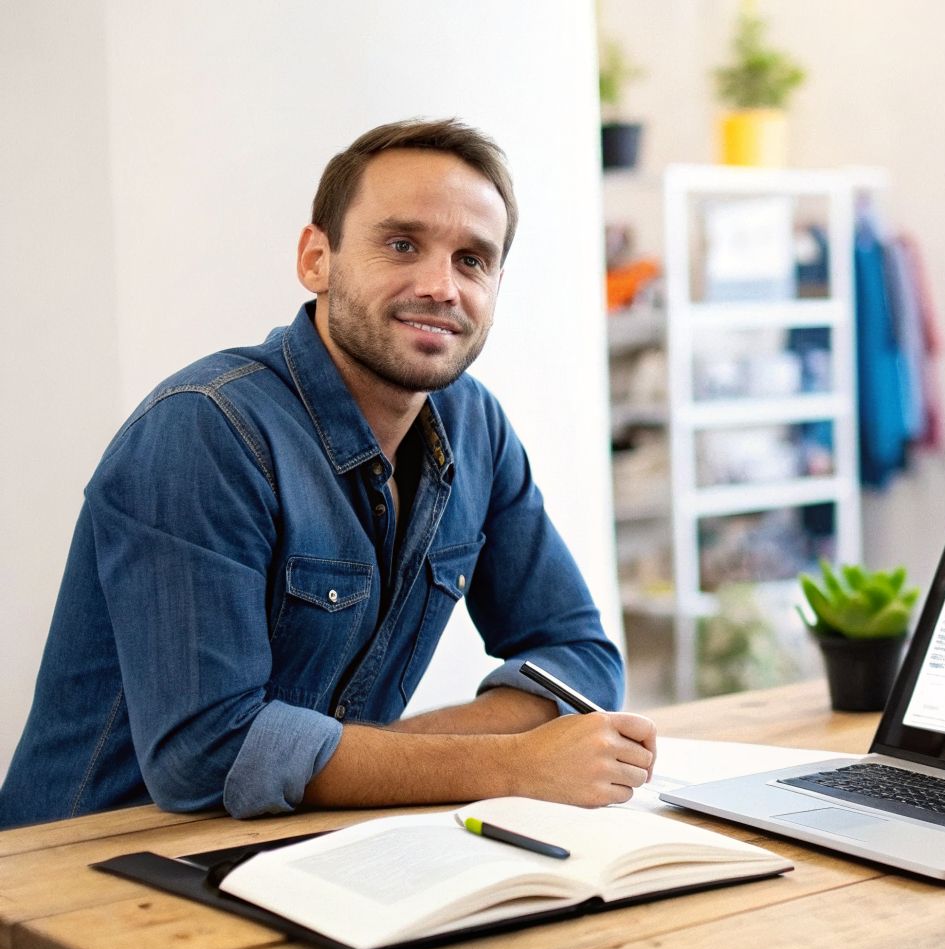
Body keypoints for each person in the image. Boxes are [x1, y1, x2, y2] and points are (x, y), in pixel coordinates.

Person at [0, 119, 653, 829]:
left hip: (307, 844)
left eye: (472, 260)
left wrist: (368, 764)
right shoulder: (205, 428)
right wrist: (510, 763)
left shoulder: (474, 426)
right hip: (90, 870)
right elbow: (207, 753)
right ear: (316, 259)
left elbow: (581, 658)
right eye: (402, 244)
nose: (441, 286)